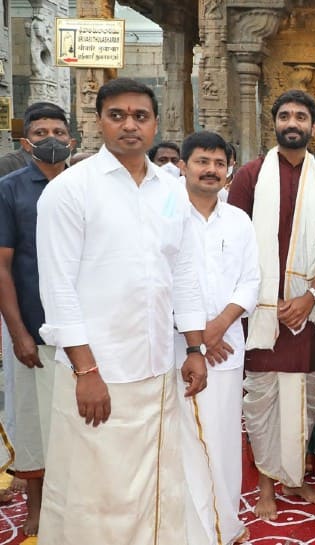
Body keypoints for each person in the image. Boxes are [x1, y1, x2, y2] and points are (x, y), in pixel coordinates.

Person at [35, 77, 208, 545]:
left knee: (157, 484)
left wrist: (195, 347)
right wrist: (86, 370)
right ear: (98, 123)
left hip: (157, 368)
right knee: (96, 494)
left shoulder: (172, 191)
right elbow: (58, 288)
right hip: (99, 373)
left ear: (155, 124)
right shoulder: (70, 190)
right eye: (118, 115)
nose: (129, 125)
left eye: (140, 116)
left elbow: (185, 274)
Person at [227, 89, 315, 521]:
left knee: (305, 399)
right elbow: (235, 240)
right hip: (259, 309)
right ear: (274, 123)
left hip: (308, 312)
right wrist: (260, 299)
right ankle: (265, 486)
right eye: (284, 115)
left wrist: (310, 294)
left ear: (313, 127)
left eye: (300, 116)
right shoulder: (250, 176)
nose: (292, 122)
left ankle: (293, 478)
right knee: (261, 400)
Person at [176, 131, 259, 545]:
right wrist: (194, 335)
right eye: (201, 161)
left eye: (218, 163)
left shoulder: (239, 220)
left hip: (225, 347)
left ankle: (225, 524)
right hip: (175, 348)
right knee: (184, 441)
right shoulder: (166, 215)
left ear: (228, 171)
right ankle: (191, 531)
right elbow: (160, 280)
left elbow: (251, 281)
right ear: (183, 166)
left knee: (225, 436)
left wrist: (216, 328)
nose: (210, 170)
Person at [0, 102, 75, 536]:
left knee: (78, 422)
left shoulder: (86, 186)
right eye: (41, 131)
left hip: (82, 330)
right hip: (31, 325)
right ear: (25, 140)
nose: (51, 139)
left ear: (73, 137)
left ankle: (76, 504)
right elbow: (2, 267)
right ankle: (37, 508)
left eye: (59, 131)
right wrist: (18, 333)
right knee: (35, 422)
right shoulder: (10, 189)